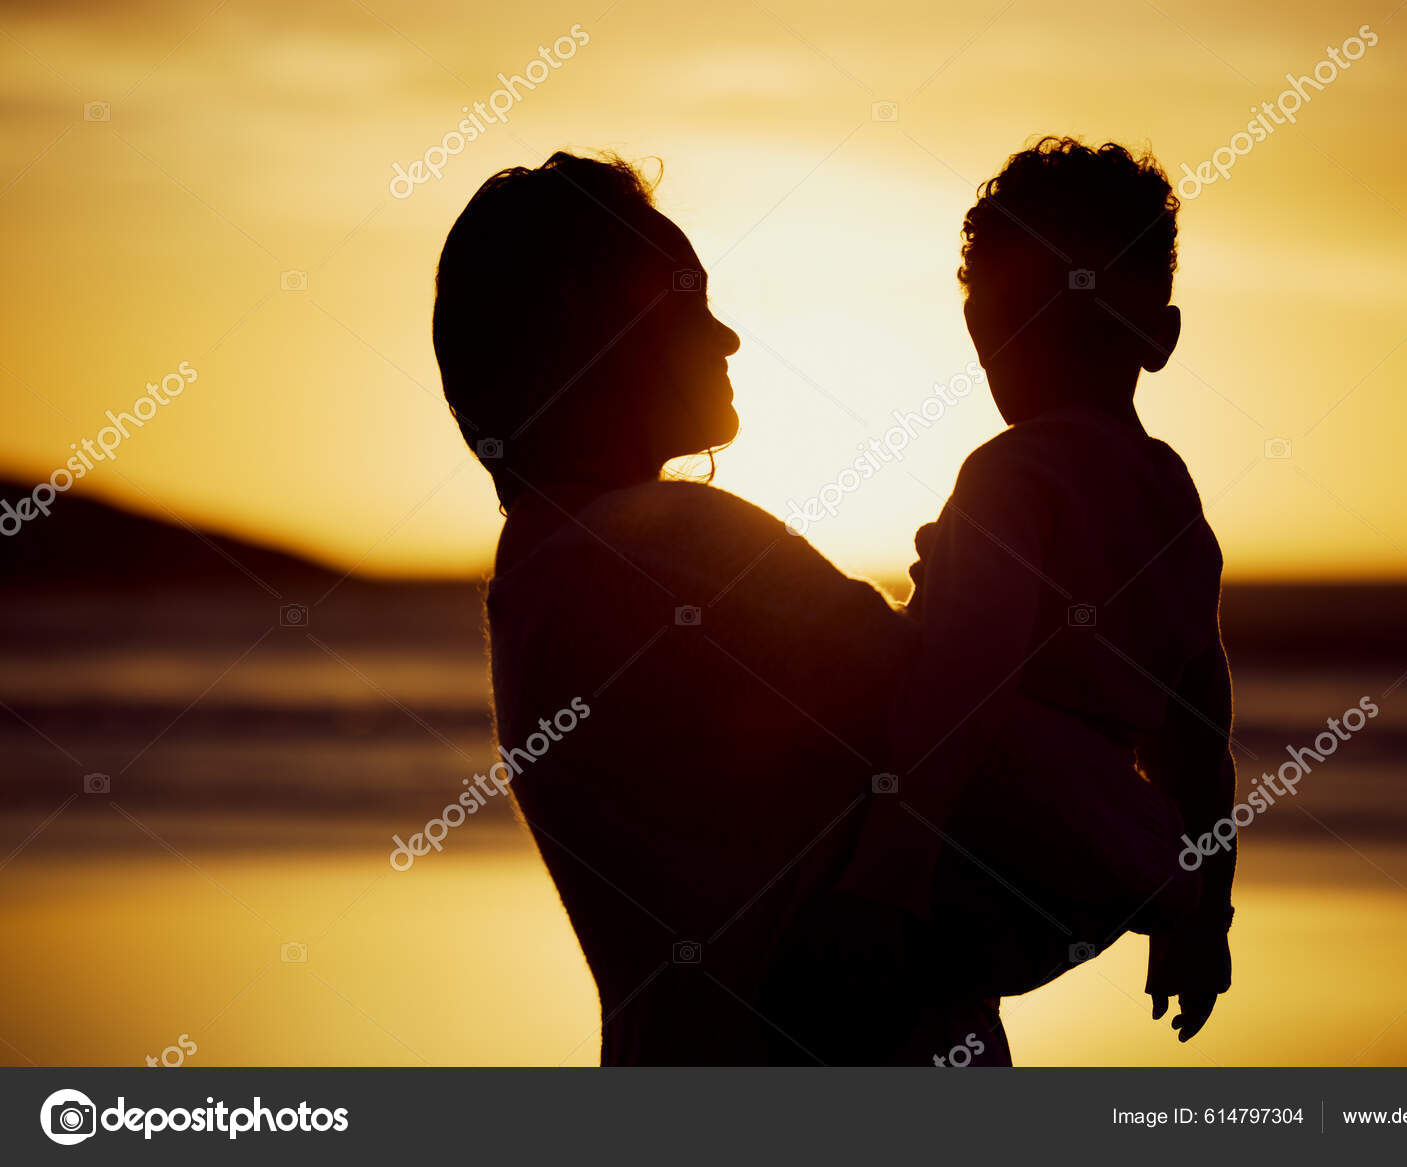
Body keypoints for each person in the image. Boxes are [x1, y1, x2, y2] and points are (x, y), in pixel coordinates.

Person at [432, 152, 1197, 1064]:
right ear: (600, 335)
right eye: (687, 301)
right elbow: (958, 714)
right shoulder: (672, 542)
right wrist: (1179, 866)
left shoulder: (537, 579)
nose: (727, 339)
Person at [837, 137, 1237, 1042]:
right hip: (1104, 874)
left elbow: (960, 685)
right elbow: (1198, 730)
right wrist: (1204, 912)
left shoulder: (1011, 475)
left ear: (984, 329)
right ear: (1160, 337)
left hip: (984, 841)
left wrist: (888, 868)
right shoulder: (1172, 497)